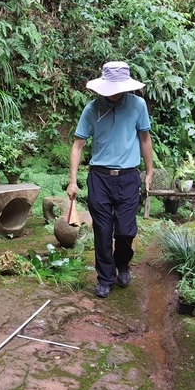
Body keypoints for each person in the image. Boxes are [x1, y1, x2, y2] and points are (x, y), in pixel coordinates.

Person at [67, 61, 153, 299]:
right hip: (100, 178)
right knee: (103, 231)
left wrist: (149, 171)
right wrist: (73, 180)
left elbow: (145, 139)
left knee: (126, 231)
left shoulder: (138, 105)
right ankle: (105, 278)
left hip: (128, 177)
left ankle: (122, 263)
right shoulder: (92, 109)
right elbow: (78, 146)